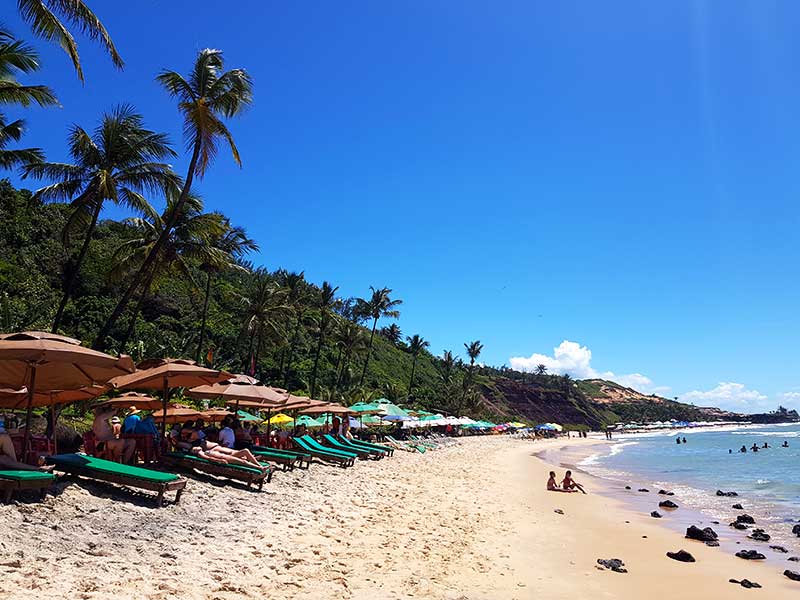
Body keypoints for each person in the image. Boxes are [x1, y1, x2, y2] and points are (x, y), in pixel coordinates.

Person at [189, 440, 269, 473]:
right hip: (224, 458)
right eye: (194, 449)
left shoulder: (206, 451)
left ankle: (257, 464)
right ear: (194, 451)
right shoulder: (201, 453)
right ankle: (260, 468)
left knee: (245, 452)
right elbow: (209, 459)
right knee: (243, 462)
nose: (196, 448)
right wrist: (219, 461)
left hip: (225, 456)